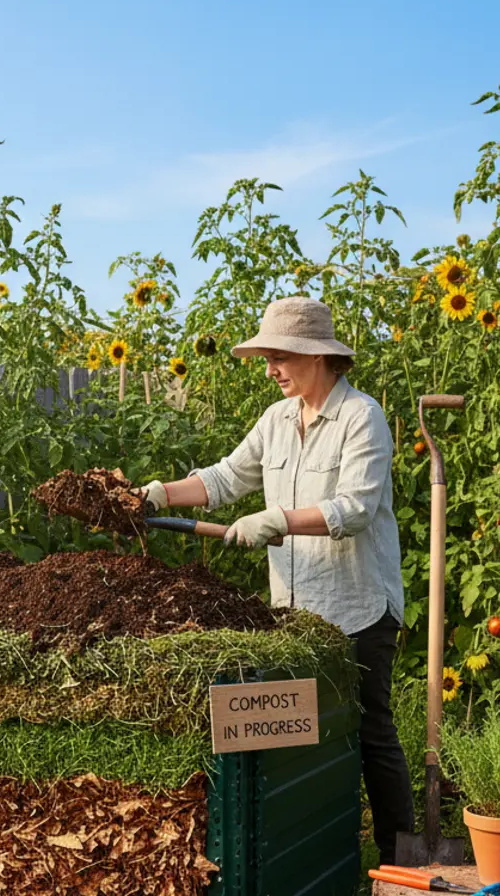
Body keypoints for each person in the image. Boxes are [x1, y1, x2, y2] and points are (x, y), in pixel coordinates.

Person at [137, 295, 415, 865]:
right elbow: (222, 480)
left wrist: (280, 521)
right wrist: (160, 493)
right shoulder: (276, 421)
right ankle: (316, 852)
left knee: (368, 731)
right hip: (294, 613)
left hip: (358, 605)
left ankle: (400, 859)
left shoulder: (362, 417)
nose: (269, 370)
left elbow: (356, 508)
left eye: (278, 356)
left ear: (316, 356)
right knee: (307, 740)